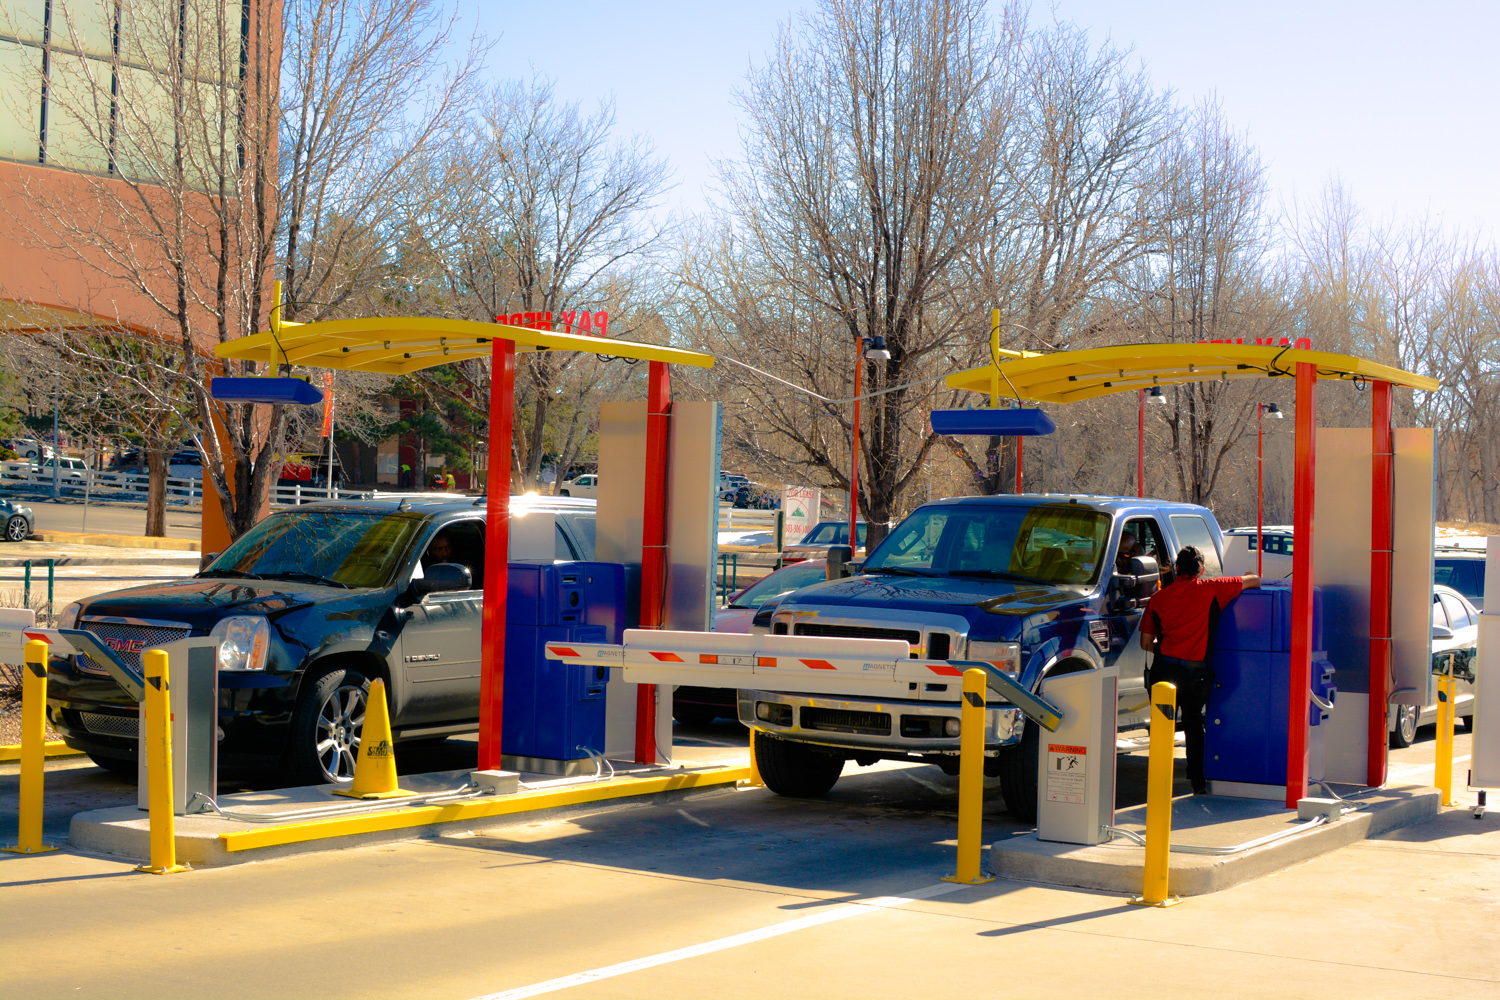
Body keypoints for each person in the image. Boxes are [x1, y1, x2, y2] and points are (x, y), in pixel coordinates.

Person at [1138, 545, 1260, 794]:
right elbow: (1255, 580)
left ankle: (1159, 783)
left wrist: (1170, 651)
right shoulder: (1213, 588)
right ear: (1201, 569)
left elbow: (1145, 643)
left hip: (1164, 673)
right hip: (1196, 675)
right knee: (1193, 724)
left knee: (1163, 726)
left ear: (1176, 569)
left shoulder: (1158, 598)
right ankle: (1197, 782)